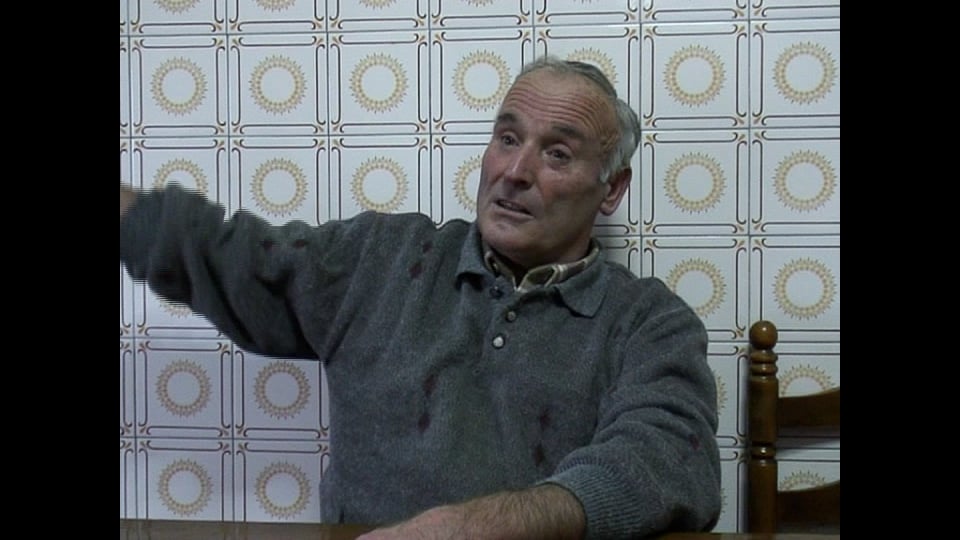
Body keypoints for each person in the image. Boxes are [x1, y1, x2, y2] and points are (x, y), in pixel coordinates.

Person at [120, 56, 721, 539]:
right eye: (507, 138)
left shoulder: (649, 322)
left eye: (557, 153)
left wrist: (480, 527)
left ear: (611, 188)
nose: (515, 170)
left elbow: (669, 459)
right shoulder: (383, 259)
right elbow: (230, 256)